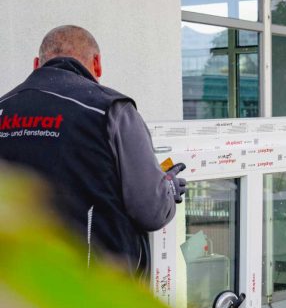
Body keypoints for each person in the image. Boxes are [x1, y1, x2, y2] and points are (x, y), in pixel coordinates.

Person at [0, 25, 186, 280]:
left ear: (36, 64)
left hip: (20, 293)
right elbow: (150, 210)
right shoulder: (110, 110)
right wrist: (169, 188)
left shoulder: (4, 109)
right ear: (96, 64)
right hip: (94, 296)